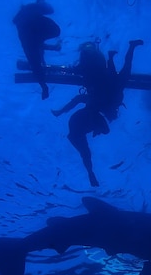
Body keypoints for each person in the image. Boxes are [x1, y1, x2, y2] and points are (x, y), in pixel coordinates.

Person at [52, 39, 144, 186]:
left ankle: (120, 52)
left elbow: (81, 99)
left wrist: (61, 111)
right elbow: (81, 98)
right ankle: (124, 50)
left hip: (85, 112)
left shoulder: (98, 106)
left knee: (86, 151)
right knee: (124, 74)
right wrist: (61, 111)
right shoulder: (98, 105)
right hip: (85, 113)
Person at [13, 1, 61, 100]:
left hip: (29, 33)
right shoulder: (34, 14)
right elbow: (37, 44)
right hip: (30, 32)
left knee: (35, 56)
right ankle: (40, 64)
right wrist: (44, 87)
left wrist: (44, 87)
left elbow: (37, 43)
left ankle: (40, 65)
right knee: (36, 58)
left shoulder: (31, 14)